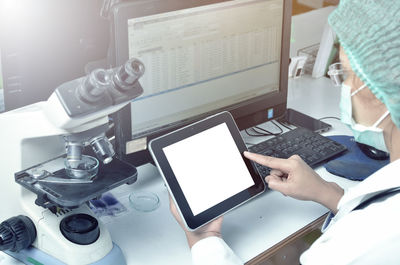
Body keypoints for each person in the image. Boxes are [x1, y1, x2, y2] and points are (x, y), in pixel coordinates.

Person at [169, 0, 400, 264]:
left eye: (346, 75)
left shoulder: (351, 249)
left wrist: (206, 241)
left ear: (379, 92)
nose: (343, 86)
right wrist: (330, 194)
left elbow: (373, 233)